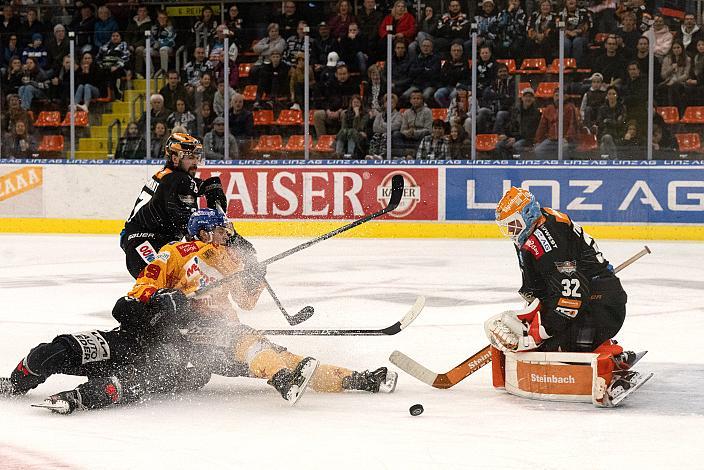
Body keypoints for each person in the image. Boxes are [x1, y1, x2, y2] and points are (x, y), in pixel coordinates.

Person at [1, 209, 398, 412]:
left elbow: (245, 302)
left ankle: (355, 380)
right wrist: (161, 301)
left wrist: (255, 275)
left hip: (203, 343)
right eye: (223, 230)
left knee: (270, 357)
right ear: (205, 231)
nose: (229, 236)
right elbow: (128, 304)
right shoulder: (174, 253)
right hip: (145, 337)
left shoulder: (230, 260)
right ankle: (13, 384)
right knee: (49, 352)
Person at [485, 186, 647, 406]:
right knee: (543, 344)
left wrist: (540, 332)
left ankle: (609, 358)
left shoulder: (547, 240)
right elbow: (552, 288)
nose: (512, 231)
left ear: (528, 215)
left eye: (514, 224)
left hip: (600, 307)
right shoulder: (540, 225)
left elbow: (572, 297)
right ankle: (601, 348)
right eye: (507, 227)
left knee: (553, 351)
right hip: (592, 301)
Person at [119, 132, 227, 279]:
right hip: (142, 240)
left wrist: (213, 188)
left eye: (196, 157)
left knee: (182, 283)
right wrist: (225, 245)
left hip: (156, 241)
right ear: (175, 158)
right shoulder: (176, 179)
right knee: (157, 280)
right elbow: (188, 225)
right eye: (189, 157)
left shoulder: (173, 177)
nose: (195, 162)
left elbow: (206, 186)